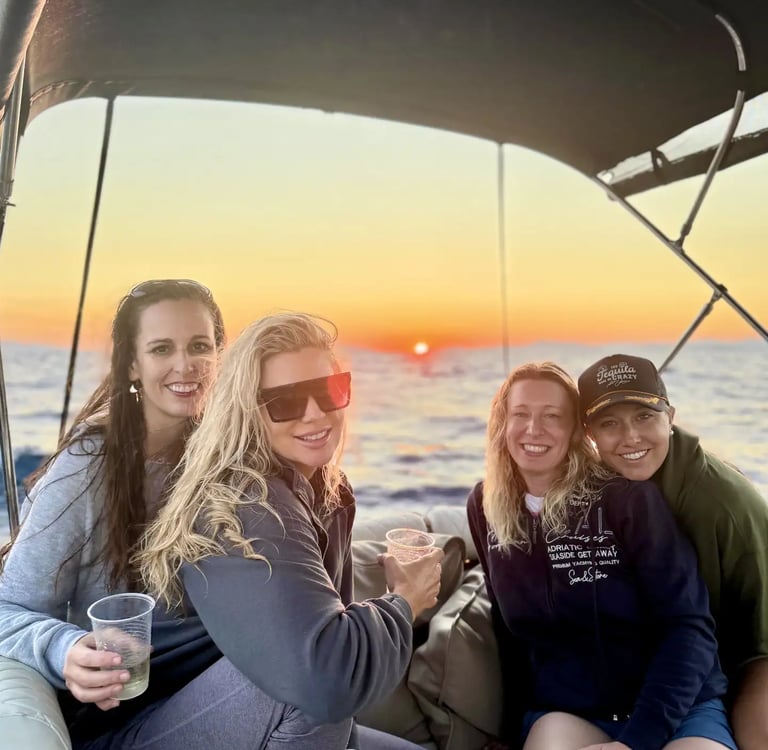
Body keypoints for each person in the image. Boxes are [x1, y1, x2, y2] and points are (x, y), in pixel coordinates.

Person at [134, 311, 442, 750]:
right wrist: (404, 601)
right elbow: (326, 681)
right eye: (285, 400)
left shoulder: (326, 490)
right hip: (155, 726)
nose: (315, 414)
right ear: (247, 410)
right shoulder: (245, 508)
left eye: (328, 390)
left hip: (247, 713)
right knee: (309, 688)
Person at [0, 279, 226, 744]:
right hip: (117, 714)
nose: (185, 365)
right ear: (131, 365)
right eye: (162, 348)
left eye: (199, 346)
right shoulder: (87, 466)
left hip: (209, 692)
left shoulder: (225, 456)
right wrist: (65, 648)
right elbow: (6, 608)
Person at [466, 361, 736, 750]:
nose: (533, 430)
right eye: (520, 414)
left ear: (577, 429)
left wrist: (635, 742)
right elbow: (508, 636)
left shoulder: (626, 499)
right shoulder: (485, 505)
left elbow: (688, 625)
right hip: (571, 712)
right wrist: (508, 731)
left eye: (553, 416)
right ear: (501, 424)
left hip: (676, 709)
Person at [579, 353, 768, 750]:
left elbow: (758, 636)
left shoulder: (723, 504)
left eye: (645, 417)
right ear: (589, 434)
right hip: (658, 669)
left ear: (670, 416)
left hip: (748, 654)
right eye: (609, 423)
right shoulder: (600, 492)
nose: (630, 437)